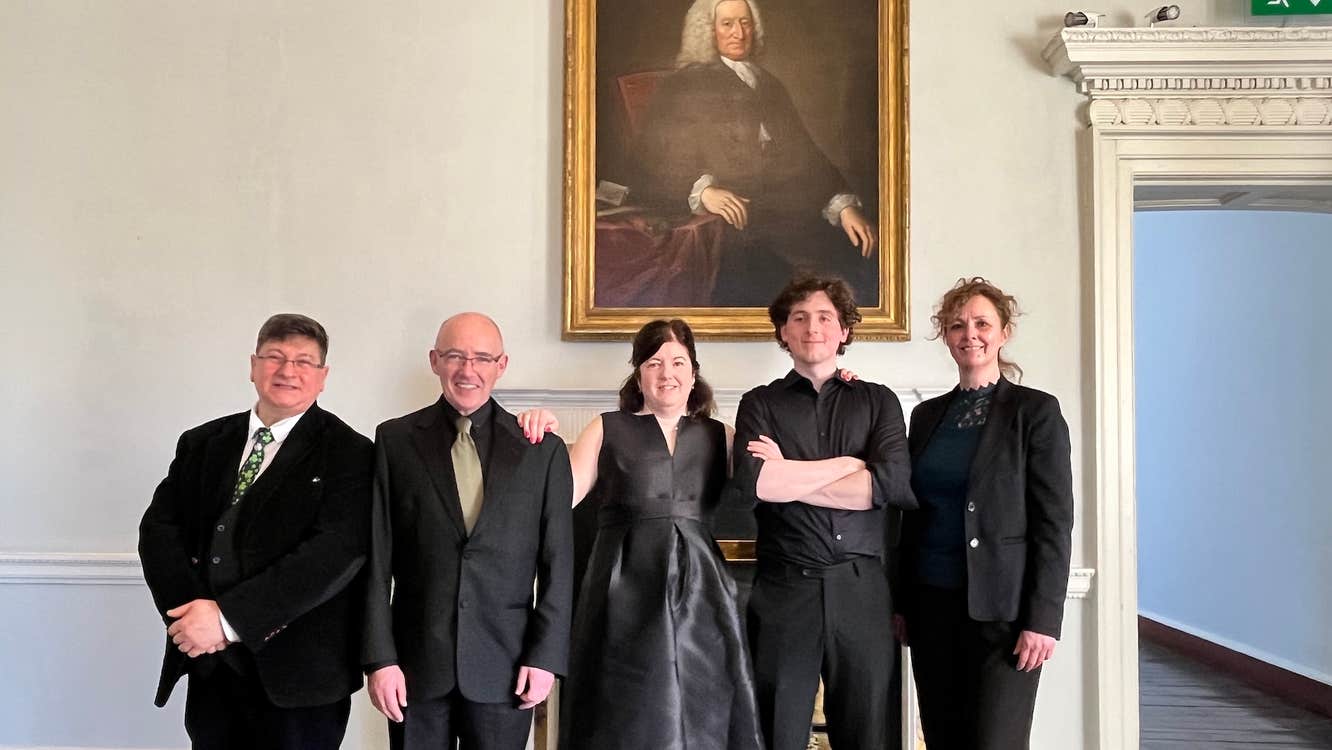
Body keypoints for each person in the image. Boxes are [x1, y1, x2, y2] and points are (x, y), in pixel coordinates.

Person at [520, 319, 764, 750]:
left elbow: (767, 490)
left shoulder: (722, 435)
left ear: (693, 372)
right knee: (624, 712)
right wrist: (535, 438)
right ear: (638, 373)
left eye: (677, 362)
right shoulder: (605, 427)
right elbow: (558, 499)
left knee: (702, 709)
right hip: (621, 589)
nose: (666, 373)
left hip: (702, 591)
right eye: (653, 362)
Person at [138, 313, 373, 750]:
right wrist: (191, 617)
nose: (288, 370)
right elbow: (159, 530)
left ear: (323, 377)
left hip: (300, 677)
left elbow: (332, 555)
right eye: (275, 357)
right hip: (210, 664)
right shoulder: (202, 442)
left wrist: (227, 619)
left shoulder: (352, 453)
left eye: (304, 361)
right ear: (253, 365)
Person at [361, 312, 574, 750]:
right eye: (455, 356)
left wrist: (546, 658)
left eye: (482, 357)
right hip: (415, 667)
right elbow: (377, 559)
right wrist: (379, 659)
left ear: (502, 365)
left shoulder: (541, 450)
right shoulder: (395, 441)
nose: (468, 369)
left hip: (507, 667)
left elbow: (559, 563)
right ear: (435, 361)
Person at [730, 275, 916, 750]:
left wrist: (789, 474)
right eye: (799, 318)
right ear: (784, 333)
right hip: (784, 590)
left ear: (844, 331)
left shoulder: (878, 401)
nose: (813, 327)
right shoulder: (760, 403)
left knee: (869, 733)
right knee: (774, 732)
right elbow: (756, 484)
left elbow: (888, 485)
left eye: (825, 317)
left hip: (862, 591)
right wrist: (847, 467)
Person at [894, 278, 1074, 750]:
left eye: (981, 323)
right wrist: (901, 603)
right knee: (942, 737)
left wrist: (1044, 619)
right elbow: (910, 513)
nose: (969, 334)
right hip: (932, 607)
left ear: (1004, 332)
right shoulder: (927, 416)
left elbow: (1054, 521)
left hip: (1005, 614)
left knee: (996, 741)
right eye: (957, 325)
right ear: (946, 336)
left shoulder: (1035, 412)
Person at [636, 0, 879, 307]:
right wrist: (703, 190)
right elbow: (656, 160)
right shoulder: (685, 84)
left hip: (789, 209)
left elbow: (806, 155)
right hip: (741, 219)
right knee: (781, 277)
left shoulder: (768, 83)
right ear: (707, 30)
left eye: (745, 23)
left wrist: (842, 204)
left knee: (855, 251)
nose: (738, 32)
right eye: (727, 24)